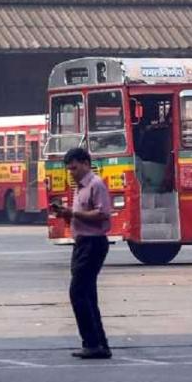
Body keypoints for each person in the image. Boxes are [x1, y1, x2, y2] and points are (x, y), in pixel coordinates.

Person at [51, 147, 113, 359]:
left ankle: (92, 342)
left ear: (86, 163)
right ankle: (100, 344)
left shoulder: (95, 184)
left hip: (93, 243)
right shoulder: (78, 188)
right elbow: (79, 216)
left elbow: (102, 213)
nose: (72, 172)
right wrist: (66, 215)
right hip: (82, 242)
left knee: (77, 292)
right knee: (88, 294)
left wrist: (74, 213)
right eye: (69, 169)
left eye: (75, 168)